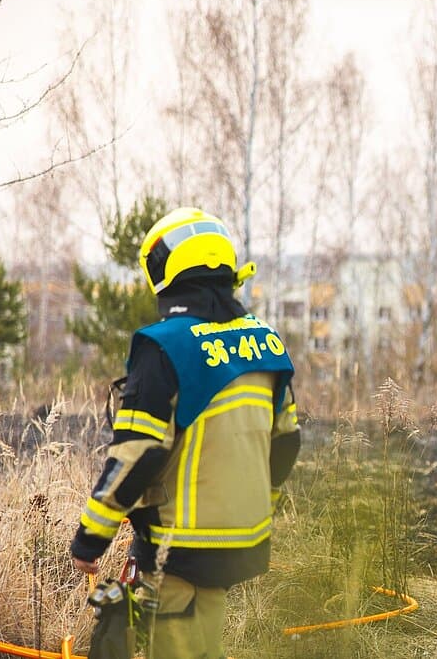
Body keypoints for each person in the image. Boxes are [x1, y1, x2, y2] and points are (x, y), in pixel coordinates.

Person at [70, 207, 300, 659]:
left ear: (166, 270)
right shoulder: (265, 340)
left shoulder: (165, 346)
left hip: (179, 545)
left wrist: (90, 537)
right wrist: (258, 509)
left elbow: (139, 452)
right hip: (242, 538)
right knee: (203, 639)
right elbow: (287, 440)